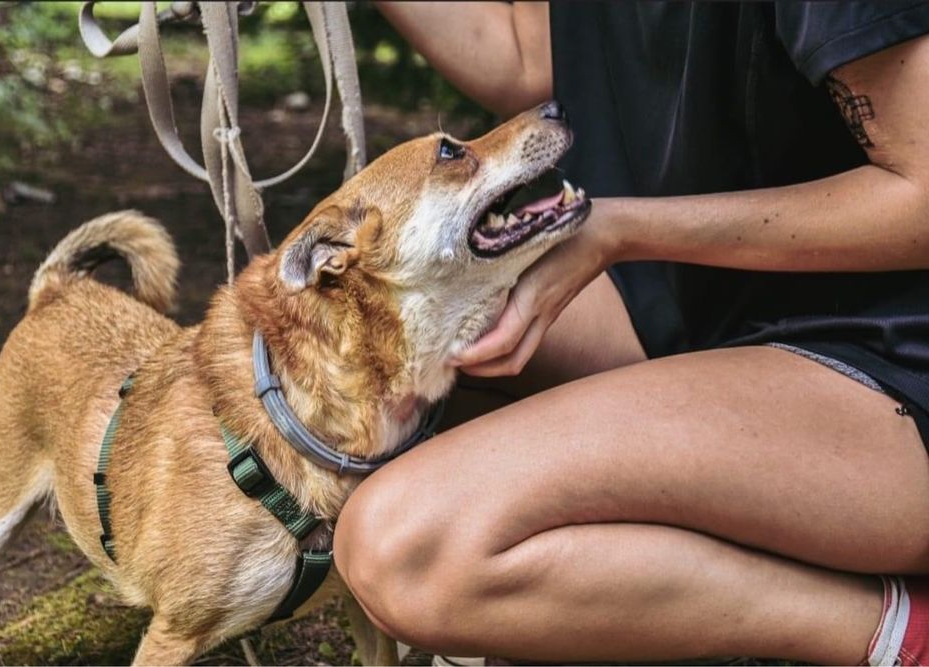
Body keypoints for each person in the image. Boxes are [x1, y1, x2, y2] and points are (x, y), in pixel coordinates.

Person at [333, 2, 929, 664]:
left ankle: (887, 627)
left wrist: (624, 230)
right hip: (712, 298)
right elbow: (528, 55)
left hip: (891, 355)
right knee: (372, 339)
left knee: (405, 548)